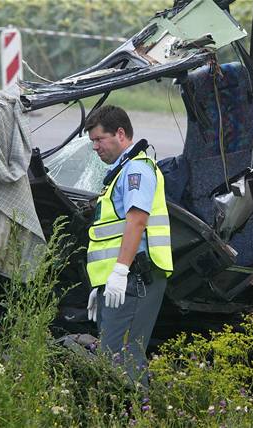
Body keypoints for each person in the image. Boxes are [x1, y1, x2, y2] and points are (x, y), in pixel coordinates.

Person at [84, 105, 173, 387]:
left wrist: (120, 272)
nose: (95, 147)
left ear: (120, 134)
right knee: (115, 360)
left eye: (99, 140)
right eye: (92, 142)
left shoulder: (136, 170)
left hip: (135, 280)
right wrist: (102, 284)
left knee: (122, 361)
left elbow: (137, 222)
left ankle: (136, 416)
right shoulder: (120, 172)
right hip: (122, 284)